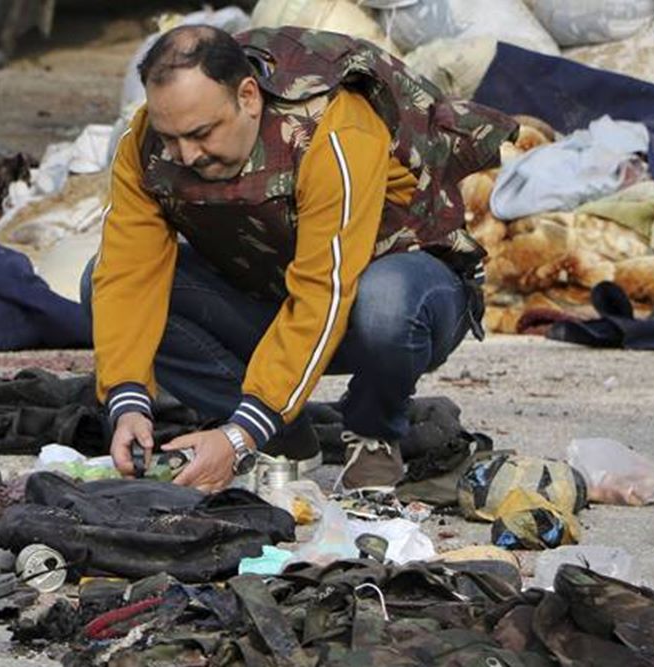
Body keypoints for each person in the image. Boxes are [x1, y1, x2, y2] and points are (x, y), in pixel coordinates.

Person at [81, 25, 516, 493]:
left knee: (385, 301)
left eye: (202, 134)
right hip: (271, 291)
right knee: (96, 283)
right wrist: (127, 401)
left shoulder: (331, 127)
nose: (186, 155)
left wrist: (240, 434)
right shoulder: (146, 145)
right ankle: (281, 437)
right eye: (172, 138)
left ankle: (373, 434)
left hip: (395, 294)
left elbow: (325, 287)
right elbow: (129, 271)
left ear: (248, 96)